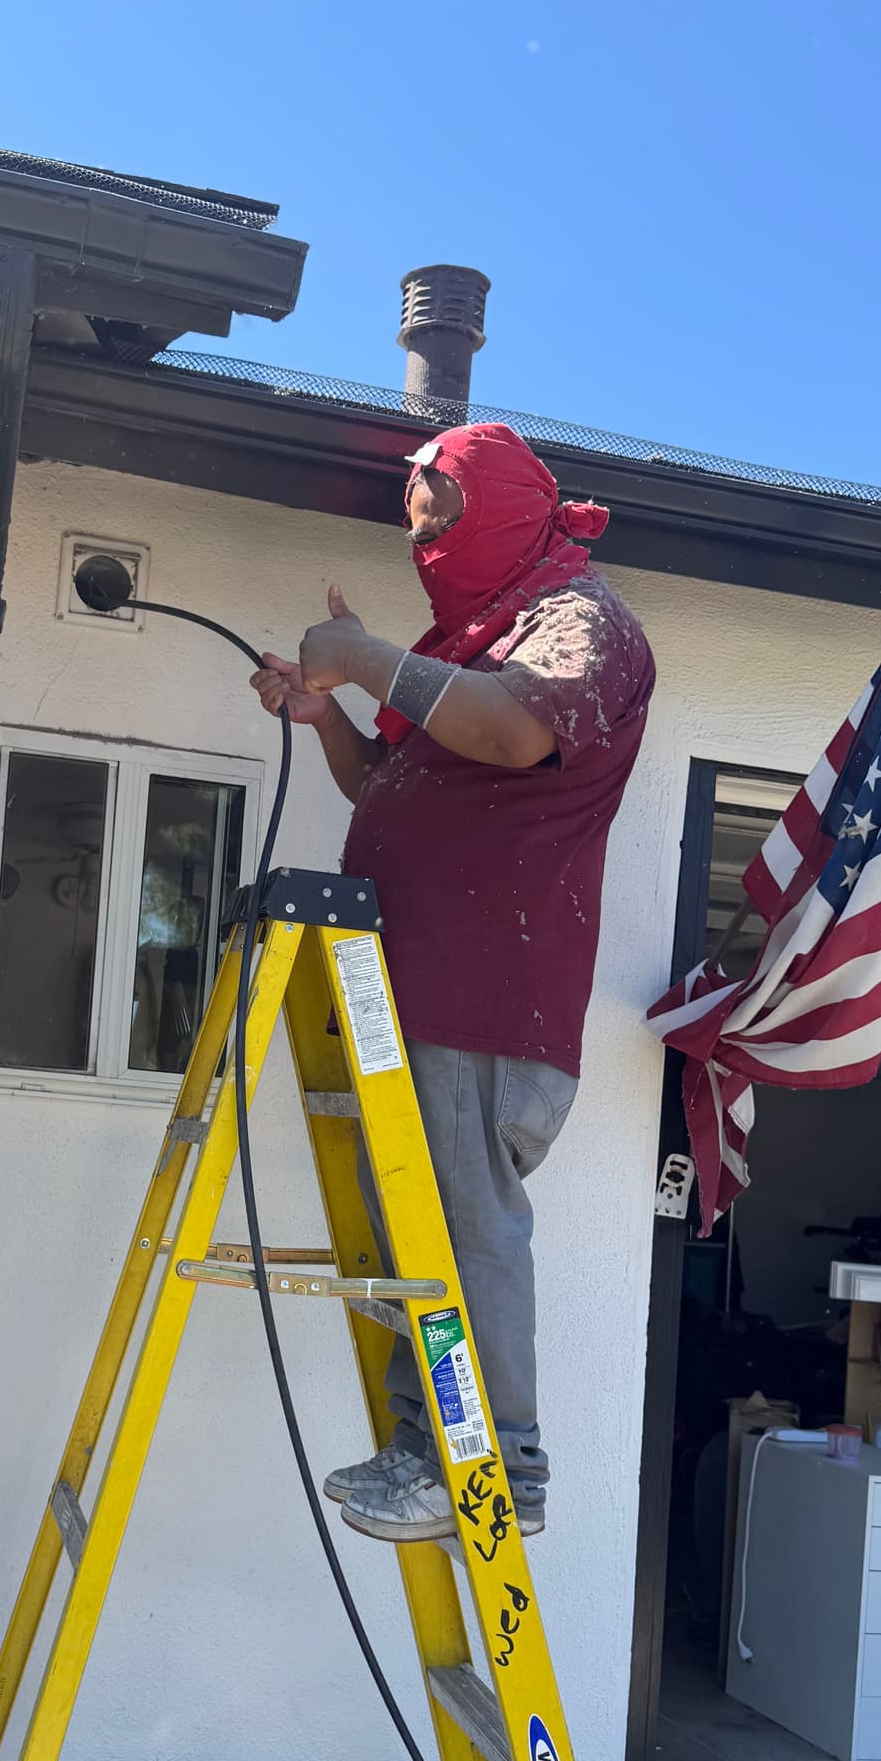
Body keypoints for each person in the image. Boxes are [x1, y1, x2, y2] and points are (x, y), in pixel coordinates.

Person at [250, 422, 655, 1545]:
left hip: (487, 999)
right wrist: (328, 707)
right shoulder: (471, 642)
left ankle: (498, 1466)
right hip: (419, 988)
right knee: (410, 1230)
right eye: (413, 510)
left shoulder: (580, 621)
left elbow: (522, 731)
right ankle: (427, 1448)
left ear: (500, 505)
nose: (415, 528)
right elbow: (384, 783)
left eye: (437, 506)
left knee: (466, 1228)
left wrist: (367, 656)